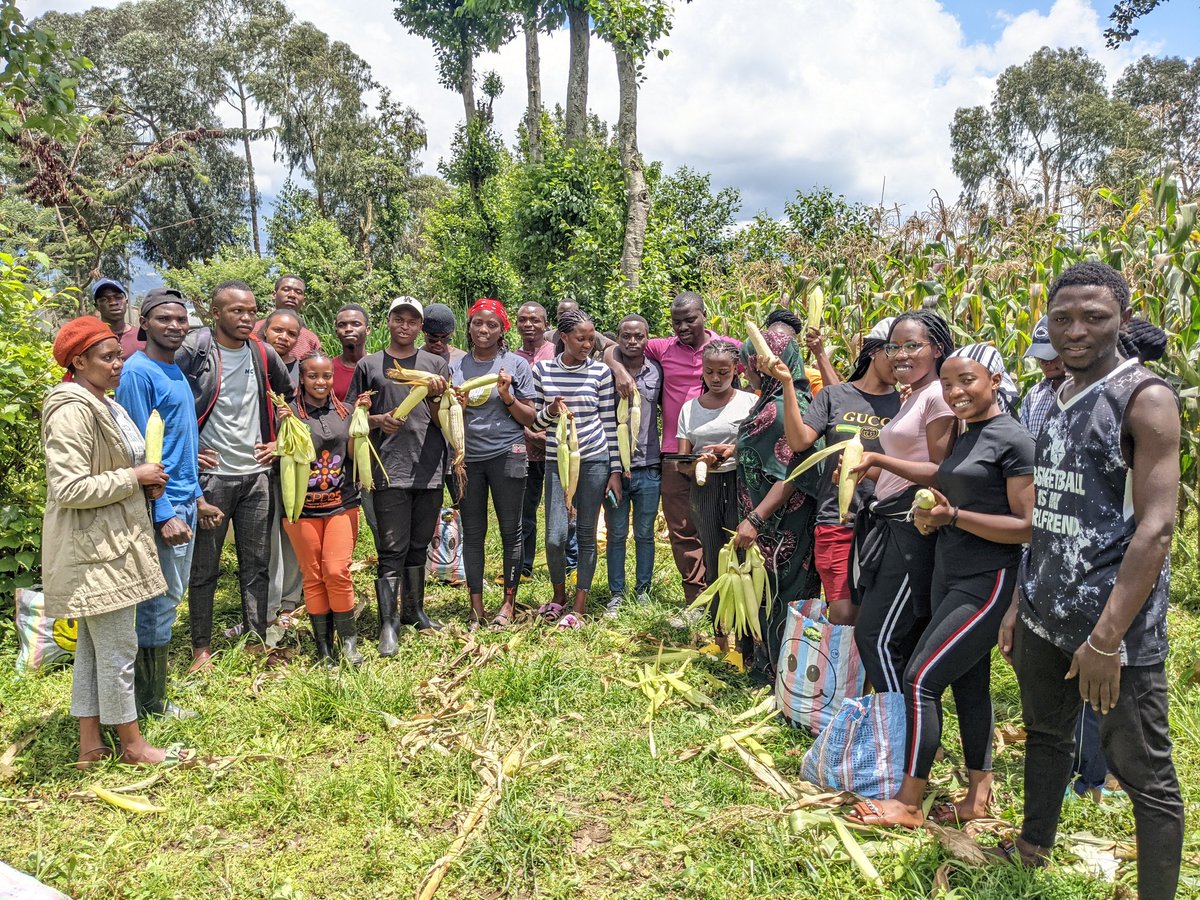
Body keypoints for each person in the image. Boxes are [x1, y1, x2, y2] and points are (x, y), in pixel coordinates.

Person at [995, 262, 1183, 897]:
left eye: (1094, 317)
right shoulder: (1043, 396)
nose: (1076, 330)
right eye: (1062, 318)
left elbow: (1156, 526)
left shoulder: (1143, 399)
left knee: (1144, 774)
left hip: (1115, 631)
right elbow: (1046, 512)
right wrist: (1022, 600)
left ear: (1123, 320)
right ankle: (1031, 848)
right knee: (1045, 734)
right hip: (1046, 611)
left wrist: (1106, 641)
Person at [850, 344, 1034, 829]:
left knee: (919, 679)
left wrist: (952, 516)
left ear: (995, 380)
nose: (955, 392)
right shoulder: (965, 435)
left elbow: (1028, 526)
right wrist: (934, 519)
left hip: (987, 579)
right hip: (949, 573)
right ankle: (978, 797)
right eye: (948, 383)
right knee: (969, 685)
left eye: (967, 381)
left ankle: (909, 803)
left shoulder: (1013, 440)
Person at [42, 317, 189, 767]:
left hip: (113, 541)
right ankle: (132, 745)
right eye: (107, 357)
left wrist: (148, 482)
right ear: (78, 361)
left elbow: (128, 465)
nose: (118, 363)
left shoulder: (105, 404)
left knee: (92, 648)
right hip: (96, 549)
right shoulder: (71, 409)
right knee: (119, 648)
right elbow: (68, 487)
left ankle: (91, 742)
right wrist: (134, 477)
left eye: (118, 355)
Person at [177, 280, 295, 672]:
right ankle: (201, 649)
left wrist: (277, 441)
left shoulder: (262, 354)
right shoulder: (194, 351)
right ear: (216, 313)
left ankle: (257, 638)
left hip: (257, 477)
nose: (247, 318)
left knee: (257, 563)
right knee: (205, 567)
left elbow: (288, 398)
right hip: (214, 479)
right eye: (236, 311)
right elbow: (173, 404)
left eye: (251, 311)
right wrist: (190, 450)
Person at [114, 289, 216, 719]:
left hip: (182, 500)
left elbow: (175, 444)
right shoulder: (139, 373)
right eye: (164, 319)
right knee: (158, 600)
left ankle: (150, 696)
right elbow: (139, 451)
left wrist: (197, 497)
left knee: (169, 595)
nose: (175, 326)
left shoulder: (174, 371)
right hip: (161, 505)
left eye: (181, 320)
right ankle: (149, 703)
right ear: (145, 324)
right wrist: (164, 512)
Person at [605, 291, 741, 603]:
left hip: (722, 453)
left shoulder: (726, 348)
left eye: (689, 320)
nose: (682, 327)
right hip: (675, 451)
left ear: (704, 315)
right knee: (682, 528)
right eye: (676, 322)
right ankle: (696, 595)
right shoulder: (663, 348)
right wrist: (620, 371)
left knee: (723, 525)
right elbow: (612, 348)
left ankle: (727, 591)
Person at [848, 311, 957, 694]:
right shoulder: (913, 396)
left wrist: (876, 458)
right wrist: (869, 473)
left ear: (937, 348)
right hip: (890, 522)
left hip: (911, 530)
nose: (900, 354)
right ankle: (912, 733)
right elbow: (906, 468)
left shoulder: (938, 396)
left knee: (874, 637)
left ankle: (906, 729)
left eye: (913, 345)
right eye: (894, 347)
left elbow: (940, 471)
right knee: (894, 638)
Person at [773, 317, 900, 625]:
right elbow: (800, 439)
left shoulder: (906, 403)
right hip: (838, 519)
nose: (902, 360)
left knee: (876, 618)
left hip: (886, 523)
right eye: (894, 351)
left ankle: (864, 674)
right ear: (874, 352)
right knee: (844, 615)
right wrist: (788, 384)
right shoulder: (834, 396)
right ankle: (841, 673)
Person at [348, 297, 450, 654]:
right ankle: (387, 623)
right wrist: (378, 420)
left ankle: (415, 611)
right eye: (399, 319)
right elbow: (352, 415)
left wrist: (439, 398)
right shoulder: (369, 365)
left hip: (429, 467)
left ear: (420, 327)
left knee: (419, 545)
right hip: (387, 469)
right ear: (388, 322)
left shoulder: (436, 365)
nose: (405, 326)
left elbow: (446, 418)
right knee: (391, 549)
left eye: (412, 321)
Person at [735, 328, 825, 671]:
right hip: (770, 523)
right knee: (769, 593)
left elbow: (792, 473)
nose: (746, 369)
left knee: (781, 596)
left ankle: (783, 674)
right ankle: (775, 668)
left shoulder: (783, 407)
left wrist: (755, 518)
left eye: (749, 361)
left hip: (780, 523)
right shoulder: (776, 400)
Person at [532, 308, 623, 628]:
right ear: (564, 337)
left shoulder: (600, 373)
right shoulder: (542, 371)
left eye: (591, 339)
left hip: (595, 459)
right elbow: (535, 420)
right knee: (555, 537)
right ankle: (559, 595)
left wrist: (614, 470)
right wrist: (552, 410)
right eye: (581, 338)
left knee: (586, 533)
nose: (588, 344)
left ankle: (579, 606)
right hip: (559, 460)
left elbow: (609, 424)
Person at [450, 298, 537, 629]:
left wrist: (508, 396)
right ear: (469, 326)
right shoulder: (456, 367)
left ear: (503, 330)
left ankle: (508, 604)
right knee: (473, 533)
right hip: (467, 460)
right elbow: (441, 416)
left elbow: (529, 417)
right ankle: (476, 608)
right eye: (477, 323)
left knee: (510, 531)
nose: (483, 330)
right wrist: (450, 404)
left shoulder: (515, 365)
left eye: (492, 325)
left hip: (508, 455)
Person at [281, 354, 367, 667]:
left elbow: (355, 454)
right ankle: (324, 649)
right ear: (301, 379)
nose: (321, 382)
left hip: (341, 504)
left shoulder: (345, 411)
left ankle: (348, 643)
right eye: (313, 376)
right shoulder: (289, 414)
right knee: (314, 576)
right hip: (302, 510)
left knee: (336, 571)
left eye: (327, 376)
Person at [677, 340, 757, 646]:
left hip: (741, 485)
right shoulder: (690, 409)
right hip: (705, 488)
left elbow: (759, 443)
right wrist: (699, 463)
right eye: (709, 371)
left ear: (735, 370)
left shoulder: (749, 403)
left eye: (723, 372)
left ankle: (748, 637)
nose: (716, 377)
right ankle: (721, 633)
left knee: (744, 557)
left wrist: (733, 450)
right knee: (714, 556)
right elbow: (681, 463)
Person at [603, 314, 662, 615]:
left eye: (638, 336)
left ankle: (643, 590)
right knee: (615, 534)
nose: (632, 342)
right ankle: (616, 593)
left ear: (647, 338)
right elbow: (602, 346)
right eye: (626, 336)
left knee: (644, 533)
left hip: (649, 467)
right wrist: (614, 366)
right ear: (619, 337)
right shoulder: (606, 371)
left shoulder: (657, 372)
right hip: (614, 469)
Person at [516, 302, 577, 581]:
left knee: (566, 508)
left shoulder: (559, 354)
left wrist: (547, 435)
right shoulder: (510, 358)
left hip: (558, 450)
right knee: (525, 511)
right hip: (523, 448)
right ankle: (525, 565)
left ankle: (569, 563)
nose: (529, 325)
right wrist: (529, 432)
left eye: (535, 320)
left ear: (546, 323)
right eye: (523, 319)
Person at [253, 275, 322, 361]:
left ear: (304, 301)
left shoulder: (311, 340)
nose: (292, 295)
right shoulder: (253, 330)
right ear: (274, 295)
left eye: (298, 292)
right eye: (286, 289)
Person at [92, 278, 144, 358]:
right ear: (97, 306)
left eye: (118, 297)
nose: (113, 303)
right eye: (104, 299)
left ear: (126, 302)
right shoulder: (91, 340)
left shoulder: (142, 338)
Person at [333, 304, 369, 402]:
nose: (348, 328)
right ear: (336, 332)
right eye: (342, 325)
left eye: (356, 324)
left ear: (368, 330)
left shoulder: (377, 367)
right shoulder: (327, 370)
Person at [262, 308, 302, 387]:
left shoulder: (301, 371)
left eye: (291, 334)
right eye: (278, 330)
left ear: (297, 339)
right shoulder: (250, 362)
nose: (284, 337)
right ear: (265, 330)